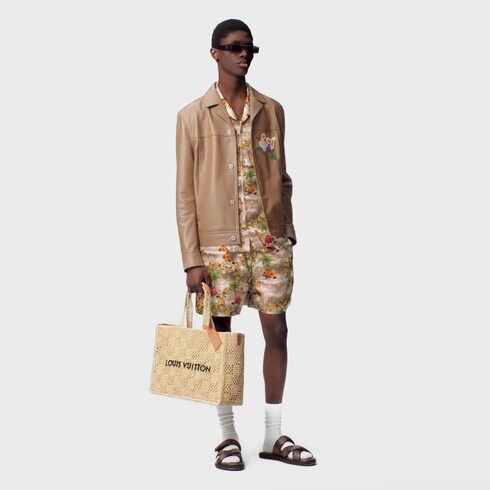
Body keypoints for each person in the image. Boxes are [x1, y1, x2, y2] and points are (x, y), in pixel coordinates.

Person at [175, 18, 316, 470]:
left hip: (269, 243)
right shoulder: (192, 116)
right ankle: (227, 434)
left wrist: (286, 229)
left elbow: (282, 175)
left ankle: (273, 435)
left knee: (277, 331)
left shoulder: (271, 110)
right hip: (219, 249)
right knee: (222, 340)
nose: (244, 55)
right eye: (235, 47)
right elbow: (184, 193)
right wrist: (191, 259)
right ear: (214, 52)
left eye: (250, 48)